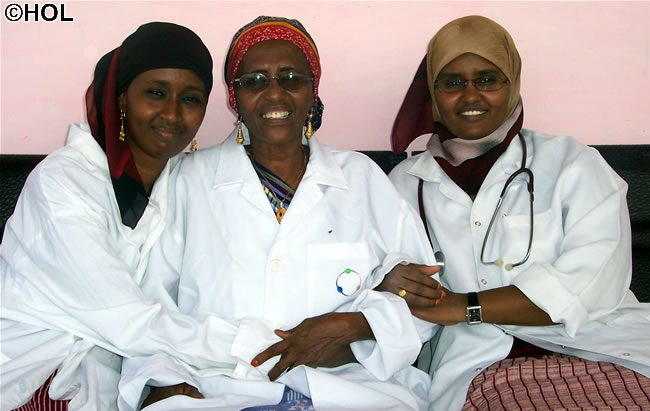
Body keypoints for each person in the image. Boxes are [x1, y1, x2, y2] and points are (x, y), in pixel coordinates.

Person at [116, 16, 441, 411]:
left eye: (291, 78)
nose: (274, 95)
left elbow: (423, 302)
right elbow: (149, 300)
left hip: (352, 389)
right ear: (234, 98)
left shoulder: (361, 178)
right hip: (215, 388)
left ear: (312, 91)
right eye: (254, 81)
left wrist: (352, 330)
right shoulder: (186, 180)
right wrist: (164, 378)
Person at [384, 15, 650, 410]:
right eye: (453, 82)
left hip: (603, 348)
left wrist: (464, 306)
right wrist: (395, 285)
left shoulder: (572, 163)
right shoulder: (405, 185)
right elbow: (400, 294)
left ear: (512, 83)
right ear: (433, 93)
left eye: (488, 79)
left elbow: (595, 280)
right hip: (484, 366)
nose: (471, 95)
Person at [0, 22, 261, 410]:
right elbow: (126, 319)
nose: (172, 114)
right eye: (155, 93)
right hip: (39, 370)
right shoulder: (63, 184)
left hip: (126, 371)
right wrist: (262, 345)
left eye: (190, 99)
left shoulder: (180, 181)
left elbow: (184, 296)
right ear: (121, 99)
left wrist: (167, 375)